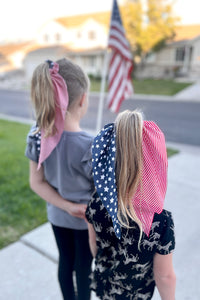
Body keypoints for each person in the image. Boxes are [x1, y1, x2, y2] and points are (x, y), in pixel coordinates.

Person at [85, 110, 176, 300]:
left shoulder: (96, 202)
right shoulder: (160, 220)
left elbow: (94, 246)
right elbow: (164, 275)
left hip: (106, 289)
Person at [25, 58, 94, 300]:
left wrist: (66, 206)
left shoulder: (36, 135)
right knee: (84, 269)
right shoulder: (91, 145)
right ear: (82, 99)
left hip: (57, 216)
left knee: (65, 263)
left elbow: (37, 182)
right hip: (88, 223)